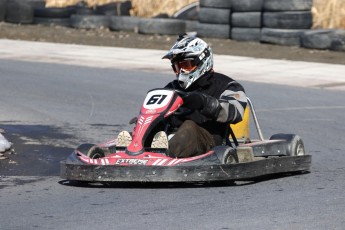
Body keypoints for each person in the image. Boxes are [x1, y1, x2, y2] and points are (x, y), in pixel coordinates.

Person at [117, 34, 247, 158]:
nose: (181, 71)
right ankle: (129, 151)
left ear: (202, 61)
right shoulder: (172, 88)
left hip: (208, 141)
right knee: (149, 129)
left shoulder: (226, 85)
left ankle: (162, 154)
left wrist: (204, 103)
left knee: (189, 127)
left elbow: (236, 112)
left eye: (186, 65)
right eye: (177, 67)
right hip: (170, 136)